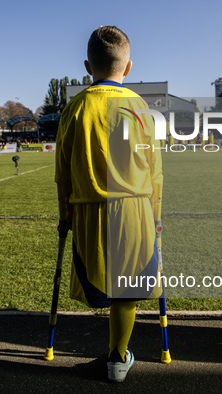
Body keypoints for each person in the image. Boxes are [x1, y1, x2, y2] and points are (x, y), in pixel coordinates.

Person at [55, 26, 163, 383]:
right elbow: (155, 174)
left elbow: (62, 175)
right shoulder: (140, 108)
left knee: (101, 283)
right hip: (134, 209)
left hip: (88, 209)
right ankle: (118, 357)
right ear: (128, 67)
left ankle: (117, 355)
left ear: (88, 66)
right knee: (128, 289)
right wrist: (156, 218)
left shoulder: (74, 107)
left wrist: (64, 217)